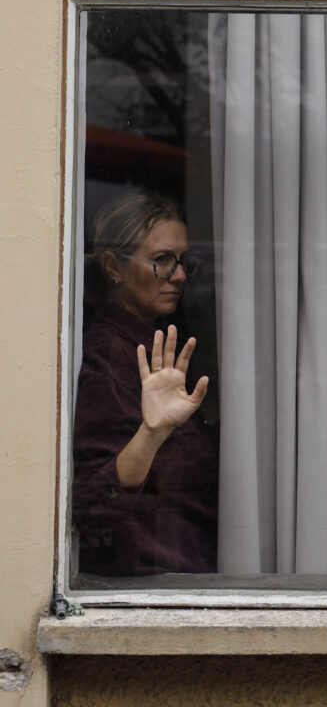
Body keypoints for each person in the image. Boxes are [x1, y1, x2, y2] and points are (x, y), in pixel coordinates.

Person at [73, 191, 217, 576]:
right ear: (113, 267)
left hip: (179, 576)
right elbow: (90, 508)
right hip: (144, 584)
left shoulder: (150, 346)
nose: (181, 275)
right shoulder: (109, 357)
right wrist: (150, 435)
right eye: (162, 261)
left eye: (185, 260)